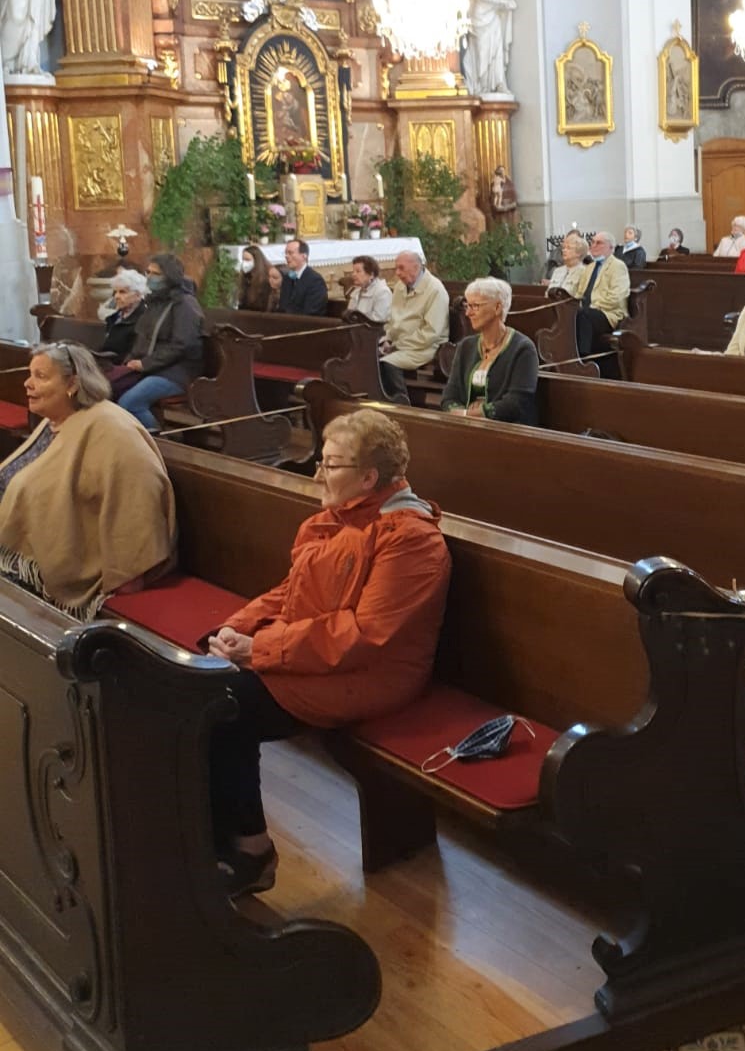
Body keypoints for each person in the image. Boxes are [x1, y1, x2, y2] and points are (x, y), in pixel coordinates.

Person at [205, 409, 451, 896]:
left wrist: (261, 649)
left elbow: (365, 635)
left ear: (368, 477)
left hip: (374, 675)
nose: (318, 473)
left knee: (223, 709)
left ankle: (251, 853)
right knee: (199, 692)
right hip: (320, 659)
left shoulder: (411, 539)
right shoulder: (338, 520)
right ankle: (213, 839)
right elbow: (290, 591)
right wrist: (237, 627)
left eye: (331, 464)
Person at [0, 343, 175, 619]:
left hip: (62, 567)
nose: (27, 383)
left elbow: (139, 495)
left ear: (72, 384)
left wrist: (124, 575)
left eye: (41, 376)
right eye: (30, 374)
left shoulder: (112, 430)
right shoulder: (58, 418)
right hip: (21, 551)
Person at [116, 253, 205, 432]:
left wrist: (145, 364)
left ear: (170, 276)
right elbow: (142, 337)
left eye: (155, 274)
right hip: (154, 368)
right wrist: (130, 361)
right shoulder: (156, 302)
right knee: (110, 391)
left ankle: (158, 439)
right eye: (148, 272)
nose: (149, 277)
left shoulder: (185, 304)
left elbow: (181, 345)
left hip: (177, 372)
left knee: (130, 403)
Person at [441, 278, 539, 424]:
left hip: (506, 430)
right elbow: (449, 396)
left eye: (475, 306)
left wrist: (469, 415)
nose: (468, 313)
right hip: (466, 427)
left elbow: (516, 403)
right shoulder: (466, 346)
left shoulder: (523, 349)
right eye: (467, 306)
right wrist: (462, 417)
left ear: (497, 307)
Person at [380, 252, 450, 393]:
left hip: (425, 347)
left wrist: (397, 346)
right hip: (398, 344)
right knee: (367, 359)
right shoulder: (400, 287)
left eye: (401, 268)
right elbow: (391, 320)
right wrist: (386, 339)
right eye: (396, 268)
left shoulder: (435, 290)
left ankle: (401, 402)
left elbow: (431, 333)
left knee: (386, 364)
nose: (397, 273)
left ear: (416, 267)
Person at [565, 230, 630, 358]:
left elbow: (617, 297)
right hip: (588, 312)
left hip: (609, 313)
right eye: (592, 242)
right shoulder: (589, 267)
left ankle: (583, 358)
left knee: (584, 315)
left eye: (599, 243)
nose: (593, 245)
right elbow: (580, 293)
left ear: (610, 247)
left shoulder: (618, 266)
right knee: (568, 314)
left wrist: (594, 306)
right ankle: (567, 355)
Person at [99, 268, 148, 361]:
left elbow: (136, 354)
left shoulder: (144, 319)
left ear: (138, 295)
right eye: (115, 292)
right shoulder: (113, 318)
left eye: (122, 292)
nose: (116, 296)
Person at [278, 238, 329, 316]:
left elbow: (311, 311)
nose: (286, 256)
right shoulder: (287, 278)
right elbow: (283, 306)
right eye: (286, 253)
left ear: (304, 256)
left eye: (290, 253)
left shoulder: (315, 281)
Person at [344, 254, 393, 324]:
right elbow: (350, 314)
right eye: (353, 271)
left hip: (374, 330)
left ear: (371, 275)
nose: (353, 274)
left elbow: (379, 320)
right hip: (356, 328)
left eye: (358, 271)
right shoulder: (356, 291)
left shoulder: (382, 292)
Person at [237, 244, 273, 312]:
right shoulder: (246, 278)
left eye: (247, 260)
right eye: (243, 259)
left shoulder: (266, 281)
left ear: (256, 261)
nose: (244, 263)